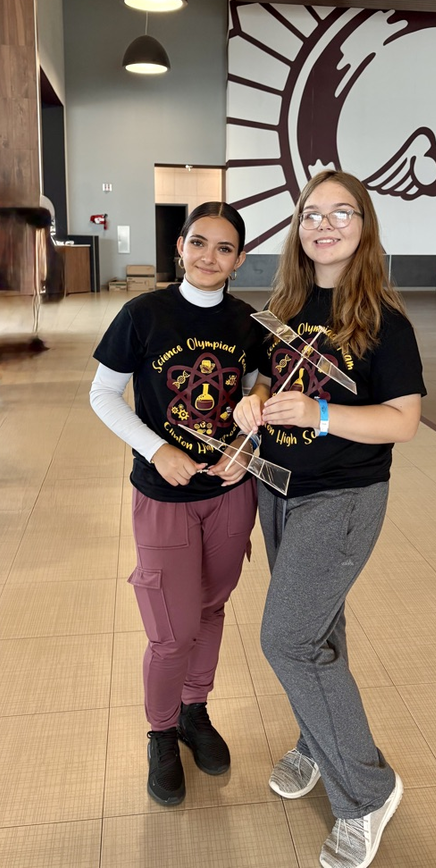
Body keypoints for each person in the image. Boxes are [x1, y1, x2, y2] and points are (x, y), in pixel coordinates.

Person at [234, 171, 426, 868]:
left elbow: (403, 421)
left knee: (285, 639)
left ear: (364, 227)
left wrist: (320, 413)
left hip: (341, 499)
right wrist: (250, 406)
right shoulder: (284, 306)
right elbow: (262, 377)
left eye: (341, 213)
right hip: (277, 489)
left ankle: (368, 791)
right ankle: (318, 742)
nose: (324, 224)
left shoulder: (383, 321)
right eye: (312, 214)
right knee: (317, 627)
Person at [90, 201, 264, 807]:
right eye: (199, 243)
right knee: (171, 629)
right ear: (180, 248)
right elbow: (103, 393)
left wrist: (245, 446)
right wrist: (156, 447)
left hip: (228, 495)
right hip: (163, 496)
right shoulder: (143, 314)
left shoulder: (249, 322)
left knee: (211, 610)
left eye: (224, 248)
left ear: (239, 258)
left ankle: (195, 712)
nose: (209, 257)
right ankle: (160, 732)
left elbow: (259, 393)